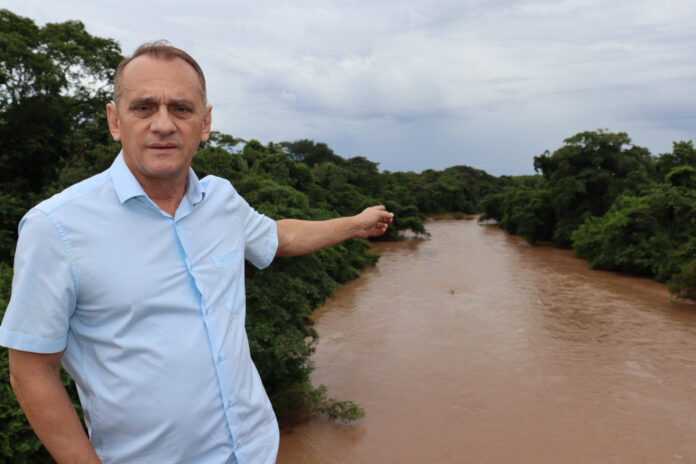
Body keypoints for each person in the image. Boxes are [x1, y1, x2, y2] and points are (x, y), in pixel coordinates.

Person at [0, 41, 393, 464]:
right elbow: (30, 372)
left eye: (182, 109)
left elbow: (279, 238)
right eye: (144, 107)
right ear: (115, 121)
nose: (164, 124)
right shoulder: (56, 227)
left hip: (256, 450)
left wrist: (356, 224)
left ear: (205, 123)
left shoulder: (221, 201)